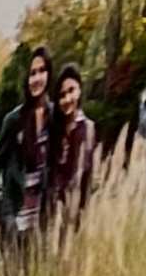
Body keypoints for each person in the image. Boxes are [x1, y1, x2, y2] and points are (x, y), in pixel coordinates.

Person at [0, 48, 56, 242]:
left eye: (42, 71)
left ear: (50, 74)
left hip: (44, 226)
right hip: (16, 224)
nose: (37, 78)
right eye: (32, 73)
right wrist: (3, 219)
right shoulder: (14, 119)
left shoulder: (56, 116)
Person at [41, 65, 104, 229]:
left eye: (71, 90)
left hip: (78, 215)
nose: (68, 99)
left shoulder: (88, 128)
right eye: (62, 95)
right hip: (53, 215)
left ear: (80, 90)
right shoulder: (54, 130)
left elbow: (86, 173)